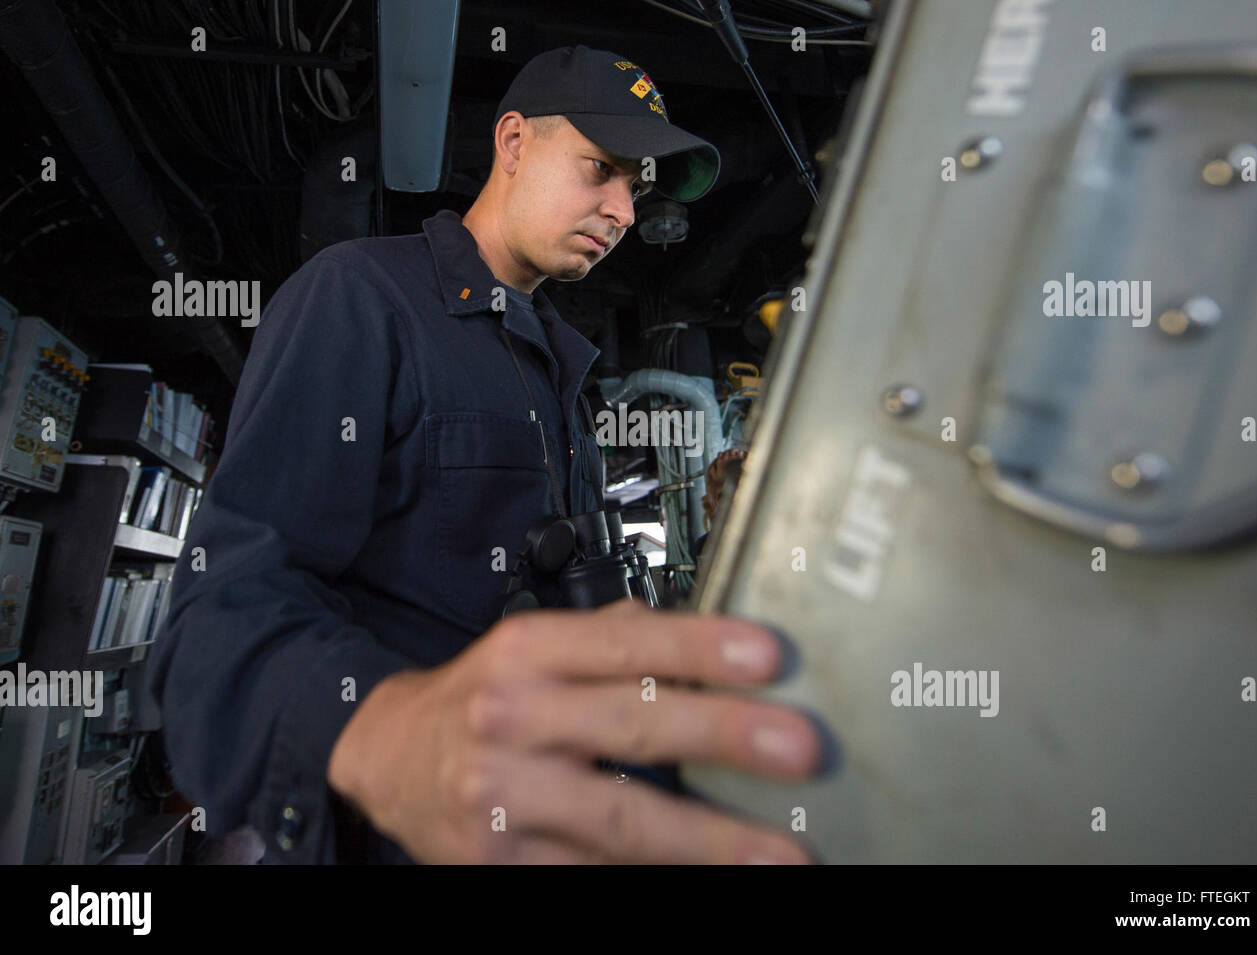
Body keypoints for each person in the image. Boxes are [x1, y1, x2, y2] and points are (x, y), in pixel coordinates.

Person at [149, 45, 823, 864]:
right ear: (511, 144)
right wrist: (385, 734)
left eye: (635, 189)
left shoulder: (565, 370)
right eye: (600, 169)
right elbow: (220, 617)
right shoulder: (361, 298)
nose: (620, 210)